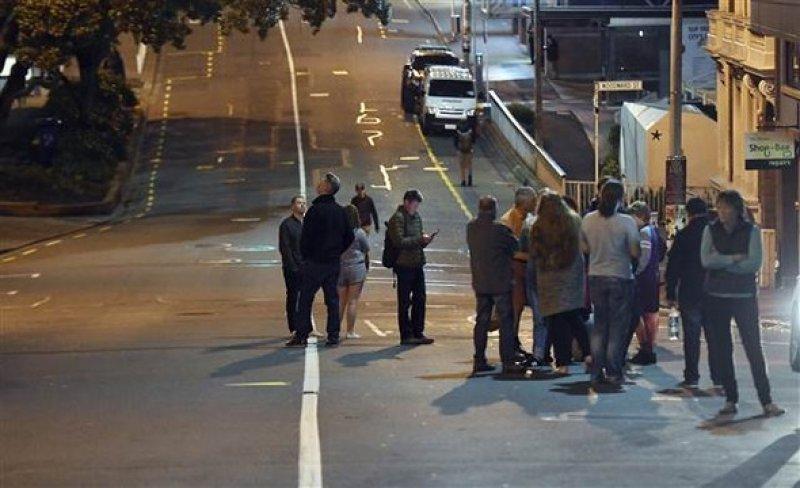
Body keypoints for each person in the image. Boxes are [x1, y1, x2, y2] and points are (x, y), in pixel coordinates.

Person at [701, 190, 784, 417]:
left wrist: (723, 263)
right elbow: (706, 260)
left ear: (737, 209)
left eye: (726, 207)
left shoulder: (751, 231)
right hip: (716, 296)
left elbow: (754, 263)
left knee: (753, 348)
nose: (722, 212)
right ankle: (730, 398)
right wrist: (734, 258)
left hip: (744, 297)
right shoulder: (711, 229)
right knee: (722, 349)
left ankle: (766, 400)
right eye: (719, 207)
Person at [582, 179, 641, 389]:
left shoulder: (588, 220)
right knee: (617, 326)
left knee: (600, 324)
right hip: (620, 276)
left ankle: (596, 371)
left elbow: (584, 248)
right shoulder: (626, 222)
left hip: (596, 275)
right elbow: (635, 252)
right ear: (620, 198)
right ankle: (613, 370)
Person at [287, 173, 354, 348]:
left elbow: (305, 238)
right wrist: (337, 251)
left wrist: (306, 257)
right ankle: (333, 335)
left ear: (326, 188)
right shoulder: (340, 211)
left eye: (322, 182)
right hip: (332, 262)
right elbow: (349, 236)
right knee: (332, 299)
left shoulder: (314, 211)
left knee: (305, 298)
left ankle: (301, 334)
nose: (319, 183)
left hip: (314, 262)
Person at [530, 192, 588, 375]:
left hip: (549, 275)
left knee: (555, 320)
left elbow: (534, 252)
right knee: (573, 315)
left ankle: (563, 363)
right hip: (572, 273)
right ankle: (588, 353)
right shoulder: (575, 221)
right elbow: (584, 246)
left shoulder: (537, 225)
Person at [666, 197, 720, 389]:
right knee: (715, 337)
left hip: (690, 291)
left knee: (691, 336)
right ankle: (718, 377)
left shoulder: (684, 234)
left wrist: (670, 292)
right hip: (714, 292)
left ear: (688, 214)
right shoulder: (717, 233)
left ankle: (692, 375)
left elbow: (673, 265)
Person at [467, 196, 524, 375]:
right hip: (500, 282)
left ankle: (479, 359)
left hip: (481, 281)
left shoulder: (471, 227)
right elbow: (515, 246)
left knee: (481, 321)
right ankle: (507, 361)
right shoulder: (500, 230)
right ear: (493, 210)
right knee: (506, 321)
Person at [389, 189, 436, 345]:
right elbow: (399, 241)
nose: (416, 209)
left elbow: (416, 240)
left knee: (420, 298)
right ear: (406, 202)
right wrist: (418, 239)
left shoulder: (417, 217)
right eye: (415, 205)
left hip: (417, 262)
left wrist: (425, 241)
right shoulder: (398, 218)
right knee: (404, 301)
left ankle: (418, 331)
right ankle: (406, 334)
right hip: (403, 264)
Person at [501, 187, 539, 360]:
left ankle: (514, 344)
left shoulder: (525, 219)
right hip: (514, 271)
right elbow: (509, 251)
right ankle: (511, 346)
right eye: (533, 201)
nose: (536, 203)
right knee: (514, 311)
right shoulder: (508, 221)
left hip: (523, 271)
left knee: (519, 309)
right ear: (525, 203)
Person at [626, 201, 663, 366]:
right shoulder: (653, 231)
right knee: (649, 314)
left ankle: (645, 348)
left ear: (640, 216)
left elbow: (644, 258)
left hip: (644, 280)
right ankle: (648, 348)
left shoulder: (644, 233)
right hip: (652, 279)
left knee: (638, 314)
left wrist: (635, 273)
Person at [339, 205, 370, 340]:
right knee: (353, 301)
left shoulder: (338, 231)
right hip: (356, 267)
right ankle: (350, 331)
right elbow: (366, 249)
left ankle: (335, 330)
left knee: (340, 301)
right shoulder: (359, 233)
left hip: (341, 267)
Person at [279, 195, 306, 338]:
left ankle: (306, 326)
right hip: (292, 268)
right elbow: (285, 248)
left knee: (306, 297)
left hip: (306, 266)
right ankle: (293, 328)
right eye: (299, 203)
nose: (302, 205)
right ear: (292, 206)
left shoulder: (306, 223)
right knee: (293, 297)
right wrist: (293, 266)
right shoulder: (286, 224)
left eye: (303, 203)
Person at [454, 123, 474, 187]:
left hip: (461, 151)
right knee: (469, 164)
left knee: (462, 166)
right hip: (469, 150)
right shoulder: (470, 132)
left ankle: (463, 181)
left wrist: (457, 148)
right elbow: (473, 140)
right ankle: (470, 177)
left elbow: (455, 142)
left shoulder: (458, 133)